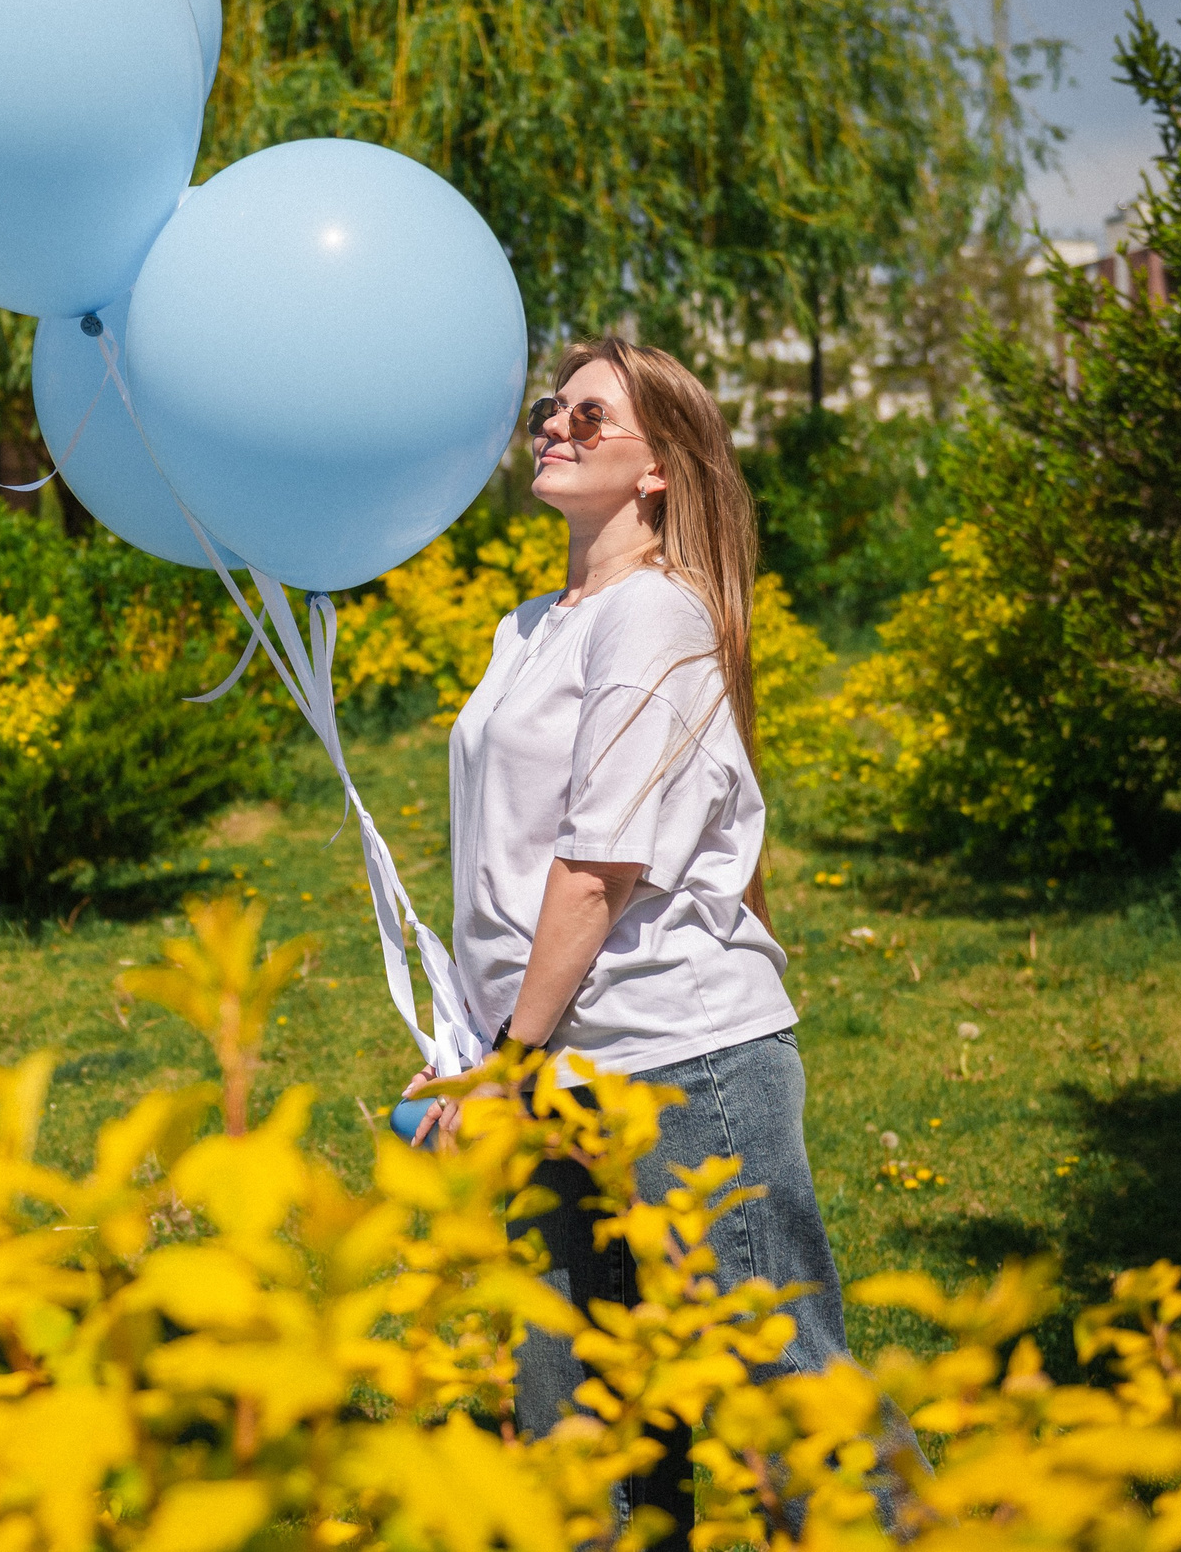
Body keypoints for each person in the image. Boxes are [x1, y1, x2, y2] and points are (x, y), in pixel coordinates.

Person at [407, 335, 900, 1544]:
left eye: (590, 416)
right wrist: (485, 1045)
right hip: (556, 1063)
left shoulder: (655, 618)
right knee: (585, 1423)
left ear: (660, 470)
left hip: (684, 1064)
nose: (555, 427)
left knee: (783, 1392)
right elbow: (509, 865)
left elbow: (595, 866)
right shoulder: (528, 624)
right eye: (550, 408)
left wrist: (504, 1062)